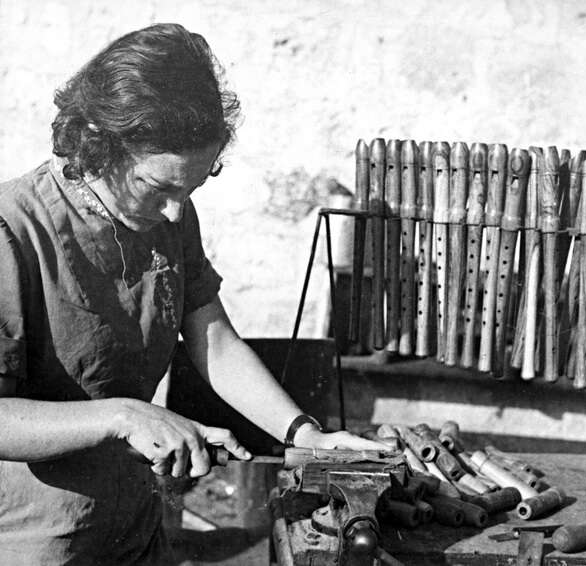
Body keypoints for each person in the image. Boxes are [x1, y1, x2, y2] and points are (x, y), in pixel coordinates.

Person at [0, 23, 386, 565]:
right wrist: (124, 416)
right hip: (35, 542)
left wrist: (304, 434)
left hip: (134, 530)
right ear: (97, 145)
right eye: (157, 187)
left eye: (193, 187)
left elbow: (216, 342)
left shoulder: (168, 214)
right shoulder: (13, 233)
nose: (176, 211)